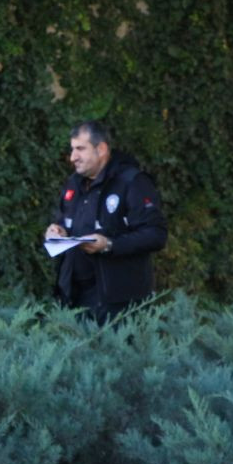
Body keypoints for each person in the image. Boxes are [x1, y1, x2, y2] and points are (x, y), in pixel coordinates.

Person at [44, 120, 167, 323]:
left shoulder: (132, 182)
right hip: (73, 296)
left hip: (117, 302)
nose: (73, 157)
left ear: (101, 149)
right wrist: (58, 232)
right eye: (72, 149)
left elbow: (156, 235)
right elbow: (63, 222)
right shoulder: (74, 183)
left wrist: (109, 244)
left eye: (80, 149)